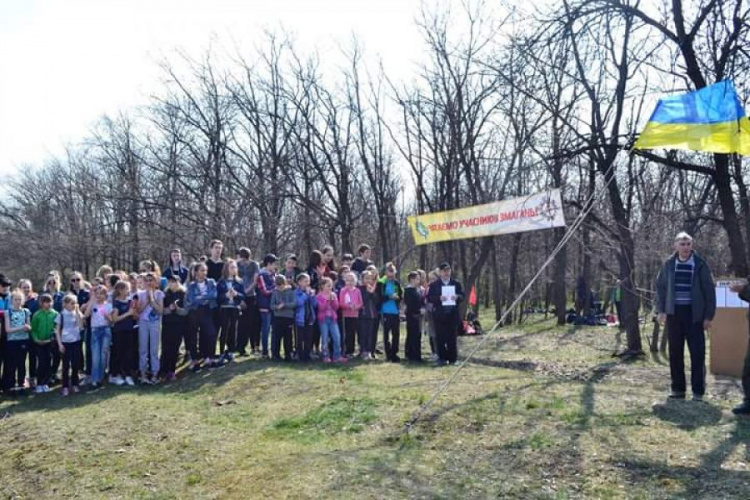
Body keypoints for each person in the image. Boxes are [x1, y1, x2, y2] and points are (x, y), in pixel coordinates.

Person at [655, 232, 715, 401]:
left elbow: (709, 292)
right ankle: (678, 389)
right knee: (675, 352)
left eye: (688, 244)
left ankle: (698, 392)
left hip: (694, 314)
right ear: (675, 246)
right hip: (674, 313)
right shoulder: (668, 264)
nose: (686, 247)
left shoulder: (700, 264)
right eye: (682, 244)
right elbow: (660, 288)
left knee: (697, 353)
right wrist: (660, 310)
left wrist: (708, 316)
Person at [186, 262, 222, 370]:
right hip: (195, 312)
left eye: (205, 270)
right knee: (193, 336)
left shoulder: (211, 282)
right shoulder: (191, 285)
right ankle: (194, 360)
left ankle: (209, 358)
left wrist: (201, 297)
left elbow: (214, 295)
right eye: (202, 270)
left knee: (211, 333)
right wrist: (205, 298)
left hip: (207, 311)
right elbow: (192, 299)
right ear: (196, 272)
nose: (204, 272)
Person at [427, 262, 464, 366]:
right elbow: (430, 297)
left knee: (452, 338)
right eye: (444, 271)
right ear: (440, 272)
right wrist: (438, 298)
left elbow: (462, 295)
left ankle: (453, 359)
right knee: (440, 338)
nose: (446, 273)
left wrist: (457, 297)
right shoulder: (434, 285)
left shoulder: (456, 283)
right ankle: (442, 358)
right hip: (439, 315)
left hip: (452, 314)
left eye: (448, 271)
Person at [136, 273, 164, 384]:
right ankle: (143, 374)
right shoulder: (140, 294)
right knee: (143, 349)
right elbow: (138, 311)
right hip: (143, 323)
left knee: (154, 349)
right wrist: (147, 300)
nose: (149, 282)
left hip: (155, 323)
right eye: (147, 280)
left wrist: (152, 299)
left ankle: (154, 374)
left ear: (156, 282)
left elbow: (160, 310)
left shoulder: (160, 294)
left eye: (151, 280)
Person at [55, 294, 84, 396]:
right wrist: (59, 344)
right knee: (66, 365)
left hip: (76, 342)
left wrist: (77, 312)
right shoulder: (61, 315)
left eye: (75, 303)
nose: (73, 305)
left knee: (75, 364)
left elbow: (81, 326)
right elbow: (57, 331)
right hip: (65, 343)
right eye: (72, 303)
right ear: (65, 304)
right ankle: (65, 386)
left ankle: (75, 384)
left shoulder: (77, 313)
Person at [3, 291, 31, 396]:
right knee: (11, 364)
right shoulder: (8, 312)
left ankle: (21, 385)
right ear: (12, 301)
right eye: (16, 299)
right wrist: (21, 328)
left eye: (20, 299)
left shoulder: (26, 311)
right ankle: (11, 386)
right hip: (12, 341)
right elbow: (8, 329)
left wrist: (27, 328)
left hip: (23, 340)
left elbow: (29, 327)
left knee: (21, 364)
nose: (18, 302)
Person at [83, 286, 112, 388]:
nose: (99, 296)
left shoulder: (108, 305)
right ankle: (94, 379)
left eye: (102, 293)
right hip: (95, 331)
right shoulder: (93, 304)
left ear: (105, 295)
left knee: (103, 355)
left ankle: (101, 377)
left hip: (105, 330)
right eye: (97, 293)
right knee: (96, 356)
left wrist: (107, 316)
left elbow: (111, 321)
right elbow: (86, 315)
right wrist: (91, 300)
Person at [110, 281, 137, 386]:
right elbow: (115, 319)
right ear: (120, 290)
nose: (128, 291)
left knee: (128, 353)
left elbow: (134, 316)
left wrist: (134, 313)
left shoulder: (130, 302)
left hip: (129, 330)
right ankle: (116, 375)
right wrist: (128, 313)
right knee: (119, 353)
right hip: (119, 332)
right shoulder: (116, 303)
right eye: (126, 288)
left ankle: (128, 375)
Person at [161, 275, 187, 381]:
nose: (172, 284)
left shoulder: (183, 294)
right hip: (167, 324)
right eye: (170, 282)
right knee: (166, 347)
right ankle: (163, 370)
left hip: (179, 324)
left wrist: (177, 309)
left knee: (175, 348)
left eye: (174, 281)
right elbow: (161, 311)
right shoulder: (165, 294)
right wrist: (169, 309)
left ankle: (172, 370)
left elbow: (186, 311)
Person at [217, 259, 244, 361]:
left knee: (233, 329)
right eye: (232, 267)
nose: (234, 269)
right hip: (224, 308)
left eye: (235, 267)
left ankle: (231, 351)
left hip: (235, 308)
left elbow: (243, 295)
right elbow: (218, 297)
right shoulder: (221, 281)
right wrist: (226, 295)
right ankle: (221, 352)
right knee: (224, 330)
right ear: (226, 269)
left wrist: (236, 294)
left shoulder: (239, 281)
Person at [30, 294, 57, 393]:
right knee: (41, 362)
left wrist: (52, 338)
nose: (48, 304)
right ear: (41, 303)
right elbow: (33, 329)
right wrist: (36, 339)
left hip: (50, 342)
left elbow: (56, 328)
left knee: (48, 362)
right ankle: (39, 384)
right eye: (45, 302)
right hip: (39, 342)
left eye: (50, 302)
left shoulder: (54, 314)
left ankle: (46, 383)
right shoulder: (37, 315)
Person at [237, 247, 261, 356]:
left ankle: (246, 346)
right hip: (239, 295)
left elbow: (256, 280)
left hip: (251, 296)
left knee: (248, 322)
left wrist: (248, 290)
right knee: (240, 323)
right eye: (242, 259)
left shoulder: (254, 265)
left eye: (245, 259)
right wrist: (241, 293)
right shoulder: (236, 265)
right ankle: (238, 346)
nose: (243, 262)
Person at [377, 262, 403, 363]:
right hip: (385, 311)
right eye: (389, 271)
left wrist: (398, 298)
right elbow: (379, 296)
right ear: (386, 272)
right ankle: (388, 354)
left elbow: (401, 294)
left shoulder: (396, 283)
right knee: (386, 334)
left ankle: (394, 353)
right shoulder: (381, 283)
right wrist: (389, 297)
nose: (391, 273)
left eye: (393, 271)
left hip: (395, 311)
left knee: (396, 333)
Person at [256, 254, 278, 358]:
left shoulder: (274, 275)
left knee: (274, 328)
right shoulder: (261, 275)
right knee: (266, 328)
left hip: (273, 305)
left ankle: (274, 350)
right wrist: (276, 288)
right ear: (268, 264)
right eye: (274, 264)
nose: (275, 266)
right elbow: (265, 290)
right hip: (265, 305)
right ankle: (265, 350)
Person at [317, 278, 343, 363]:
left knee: (337, 336)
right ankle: (325, 355)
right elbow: (321, 308)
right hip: (323, 320)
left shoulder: (333, 295)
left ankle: (337, 355)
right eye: (327, 286)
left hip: (333, 319)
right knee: (325, 338)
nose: (329, 288)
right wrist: (327, 301)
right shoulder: (319, 296)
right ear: (322, 286)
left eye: (331, 286)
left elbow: (336, 307)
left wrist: (333, 301)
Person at [18, 279, 39, 389]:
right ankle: (21, 380)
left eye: (28, 287)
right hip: (20, 334)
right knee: (21, 358)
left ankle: (32, 378)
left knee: (33, 357)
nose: (26, 289)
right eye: (24, 287)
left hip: (32, 333)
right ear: (20, 288)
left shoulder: (35, 300)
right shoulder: (16, 300)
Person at [270, 275, 296, 361]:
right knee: (277, 336)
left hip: (288, 317)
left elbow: (294, 303)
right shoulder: (275, 292)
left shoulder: (291, 291)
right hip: (278, 317)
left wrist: (285, 305)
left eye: (281, 285)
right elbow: (271, 305)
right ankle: (276, 354)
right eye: (278, 286)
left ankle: (288, 354)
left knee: (288, 337)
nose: (280, 287)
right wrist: (277, 307)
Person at [339, 271, 363, 357]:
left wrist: (356, 307)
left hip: (355, 315)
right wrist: (348, 307)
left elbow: (361, 303)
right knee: (347, 333)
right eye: (348, 280)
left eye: (352, 280)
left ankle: (353, 350)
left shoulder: (357, 291)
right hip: (346, 315)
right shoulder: (343, 290)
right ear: (345, 281)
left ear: (355, 281)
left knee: (354, 333)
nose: (350, 282)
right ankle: (347, 351)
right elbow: (341, 303)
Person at [294, 273, 316, 362]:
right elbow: (298, 303)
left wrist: (312, 296)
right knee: (300, 338)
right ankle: (299, 354)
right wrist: (305, 295)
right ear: (299, 282)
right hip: (300, 319)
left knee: (308, 337)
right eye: (305, 281)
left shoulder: (310, 292)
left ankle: (307, 354)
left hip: (309, 318)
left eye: (308, 281)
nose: (308, 283)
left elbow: (315, 304)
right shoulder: (296, 292)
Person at [358, 270, 380, 359]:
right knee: (363, 333)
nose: (368, 280)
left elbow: (376, 301)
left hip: (372, 314)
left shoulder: (373, 288)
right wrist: (368, 293)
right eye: (366, 278)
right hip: (362, 314)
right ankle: (363, 350)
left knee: (371, 333)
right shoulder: (360, 289)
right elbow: (363, 300)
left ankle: (369, 351)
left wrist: (372, 293)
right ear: (362, 279)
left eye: (370, 278)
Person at [404, 271, 423, 362]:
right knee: (412, 335)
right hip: (412, 316)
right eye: (417, 279)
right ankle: (411, 355)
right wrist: (418, 310)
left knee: (417, 335)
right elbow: (410, 304)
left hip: (418, 316)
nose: (418, 281)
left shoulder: (418, 290)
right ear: (412, 280)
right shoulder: (408, 291)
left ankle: (417, 354)